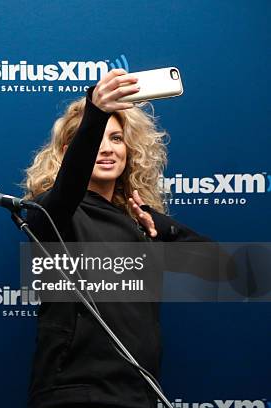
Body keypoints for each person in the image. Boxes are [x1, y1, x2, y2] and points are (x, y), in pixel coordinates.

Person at [23, 69, 211, 408]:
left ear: (129, 151)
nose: (107, 149)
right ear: (70, 151)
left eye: (117, 139)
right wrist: (94, 113)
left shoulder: (138, 222)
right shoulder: (49, 212)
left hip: (139, 394)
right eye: (96, 139)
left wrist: (160, 224)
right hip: (73, 394)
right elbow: (65, 192)